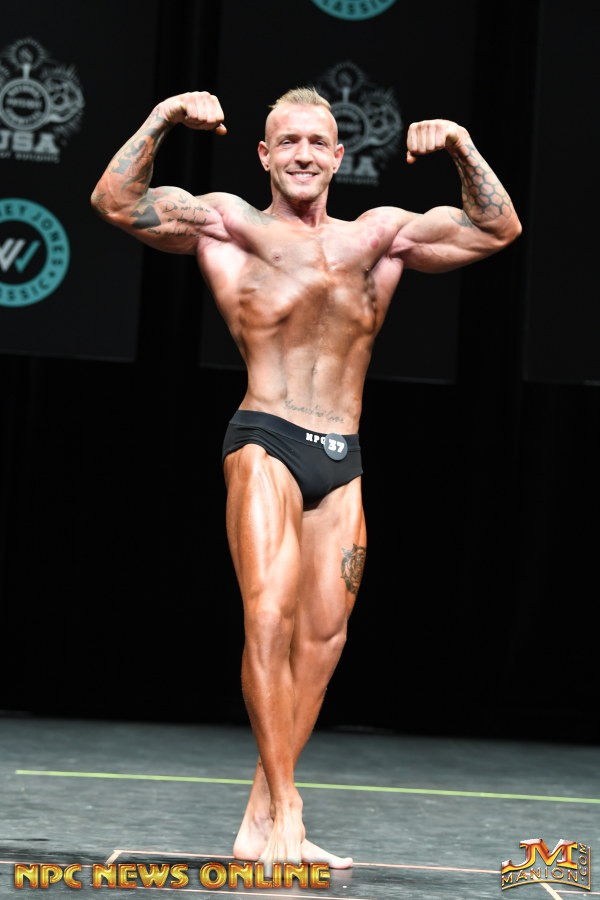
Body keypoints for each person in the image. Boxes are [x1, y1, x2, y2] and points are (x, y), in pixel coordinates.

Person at [90, 87, 521, 870]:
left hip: (342, 456)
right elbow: (115, 202)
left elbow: (498, 229)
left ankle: (261, 815)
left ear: (338, 157)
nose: (302, 154)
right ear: (263, 155)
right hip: (267, 439)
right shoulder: (231, 225)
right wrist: (163, 117)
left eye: (317, 142)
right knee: (268, 615)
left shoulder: (379, 237)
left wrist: (461, 145)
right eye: (287, 141)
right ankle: (289, 807)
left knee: (323, 638)